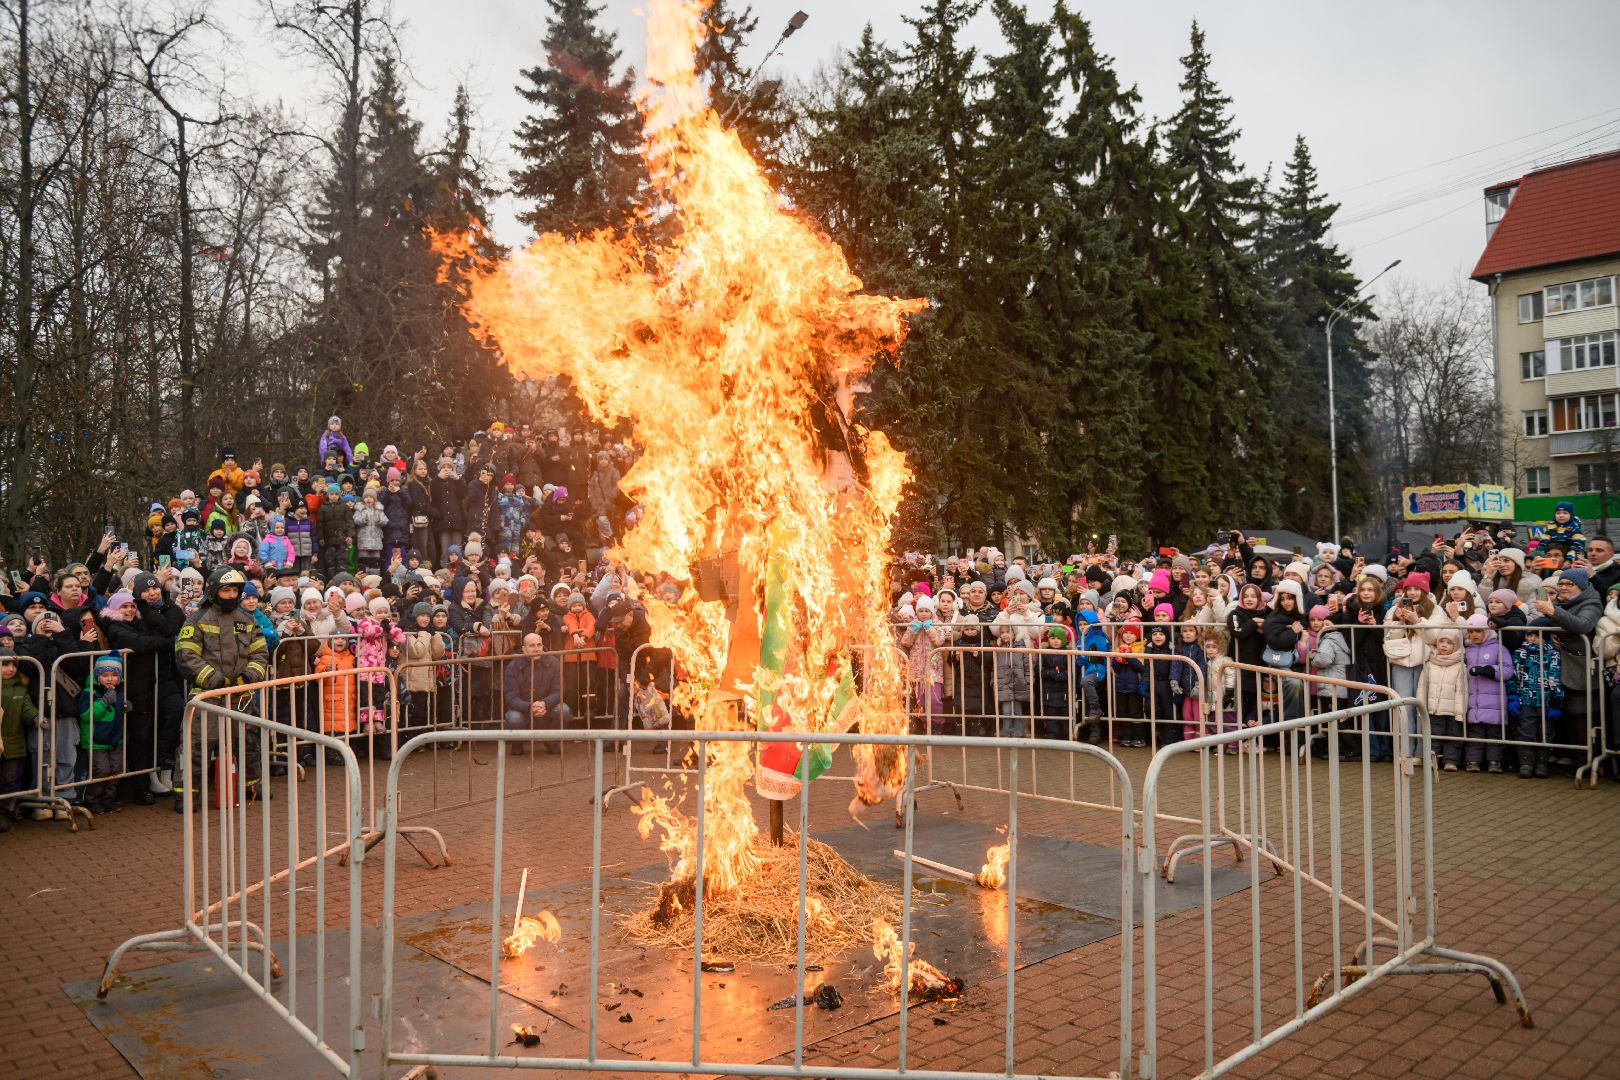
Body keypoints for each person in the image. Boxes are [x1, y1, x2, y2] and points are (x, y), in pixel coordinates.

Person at [173, 568, 270, 806]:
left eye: (235, 590)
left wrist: (249, 676)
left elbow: (260, 654)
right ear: (214, 591)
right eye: (226, 590)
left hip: (241, 694)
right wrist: (212, 679)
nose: (231, 595)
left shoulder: (248, 619)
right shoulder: (196, 619)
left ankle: (252, 787)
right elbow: (185, 655)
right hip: (207, 696)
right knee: (196, 747)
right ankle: (186, 795)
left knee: (249, 744)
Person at [1463, 612, 1513, 774]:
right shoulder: (1467, 650)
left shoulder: (1498, 647)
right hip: (1475, 700)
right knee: (1475, 732)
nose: (1474, 635)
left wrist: (1489, 671)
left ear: (1487, 631)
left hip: (1495, 702)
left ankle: (1494, 761)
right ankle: (1473, 761)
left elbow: (1507, 669)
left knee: (1494, 732)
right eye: (1471, 632)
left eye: (1478, 631)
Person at [76, 655, 125, 813]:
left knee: (116, 770)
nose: (110, 679)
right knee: (102, 770)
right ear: (97, 676)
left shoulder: (119, 691)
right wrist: (103, 702)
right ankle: (92, 800)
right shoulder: (88, 693)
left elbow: (116, 714)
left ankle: (108, 800)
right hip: (95, 741)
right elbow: (86, 715)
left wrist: (124, 707)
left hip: (114, 740)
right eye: (105, 675)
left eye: (114, 675)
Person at [501, 632, 565, 753]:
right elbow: (511, 696)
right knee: (514, 718)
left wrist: (544, 704)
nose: (536, 649)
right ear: (524, 649)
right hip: (522, 709)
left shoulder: (554, 662)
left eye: (539, 645)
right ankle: (517, 744)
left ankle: (552, 742)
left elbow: (559, 690)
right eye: (532, 646)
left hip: (547, 707)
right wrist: (530, 707)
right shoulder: (513, 666)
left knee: (564, 710)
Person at [1421, 629, 1468, 772]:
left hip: (1453, 710)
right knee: (1433, 735)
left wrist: (1460, 712)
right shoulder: (1430, 663)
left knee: (1453, 736)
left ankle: (1451, 761)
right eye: (1441, 641)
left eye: (1449, 643)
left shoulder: (1460, 665)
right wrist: (1421, 707)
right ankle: (1432, 759)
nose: (1444, 645)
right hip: (1434, 708)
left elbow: (1461, 690)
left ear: (1456, 645)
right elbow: (1423, 687)